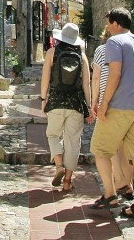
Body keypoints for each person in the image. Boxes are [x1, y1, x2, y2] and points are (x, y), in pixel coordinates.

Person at [89, 8, 134, 221]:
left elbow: (115, 73)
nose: (107, 28)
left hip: (120, 105)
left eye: (109, 23)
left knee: (100, 149)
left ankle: (110, 195)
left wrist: (104, 104)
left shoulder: (114, 43)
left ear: (116, 23)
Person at [40, 22, 92, 192]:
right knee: (73, 141)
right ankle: (68, 181)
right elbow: (86, 84)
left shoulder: (52, 53)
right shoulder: (82, 56)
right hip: (76, 103)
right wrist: (89, 106)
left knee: (53, 134)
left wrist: (43, 99)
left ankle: (58, 165)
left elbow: (45, 79)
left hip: (55, 101)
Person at [91, 28, 134, 200]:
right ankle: (128, 185)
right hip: (128, 102)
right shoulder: (129, 51)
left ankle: (117, 185)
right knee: (123, 148)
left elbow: (96, 78)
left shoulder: (102, 50)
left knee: (107, 148)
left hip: (108, 103)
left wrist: (95, 102)